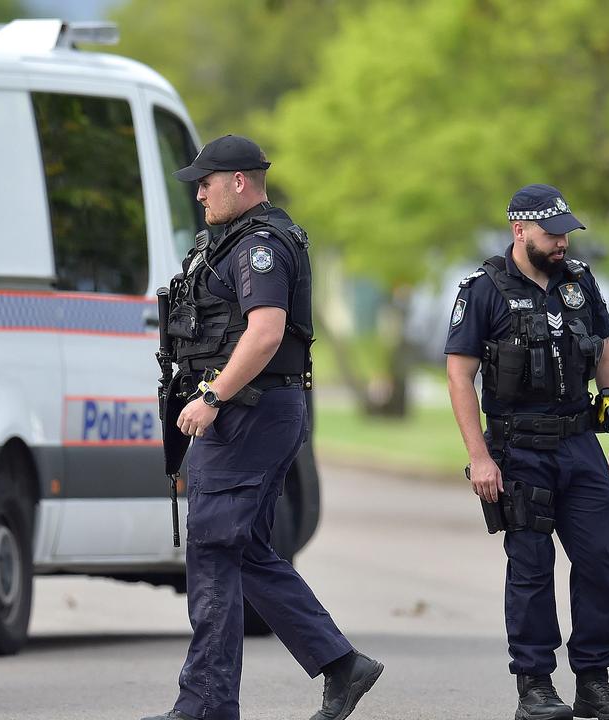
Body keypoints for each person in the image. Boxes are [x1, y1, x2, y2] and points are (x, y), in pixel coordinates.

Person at [144, 135, 382, 720]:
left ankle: (207, 707)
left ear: (241, 181)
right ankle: (337, 665)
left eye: (207, 181)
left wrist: (211, 395)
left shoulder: (260, 247)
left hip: (247, 413)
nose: (199, 192)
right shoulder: (231, 242)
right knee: (240, 550)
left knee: (215, 550)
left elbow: (266, 331)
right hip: (253, 414)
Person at [445, 184, 609, 720]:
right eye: (552, 234)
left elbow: (607, 356)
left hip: (580, 446)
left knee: (600, 561)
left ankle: (595, 683)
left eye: (566, 233)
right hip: (518, 450)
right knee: (531, 568)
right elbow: (460, 376)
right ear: (519, 230)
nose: (562, 243)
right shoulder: (482, 290)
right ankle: (535, 687)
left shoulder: (578, 283)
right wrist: (479, 457)